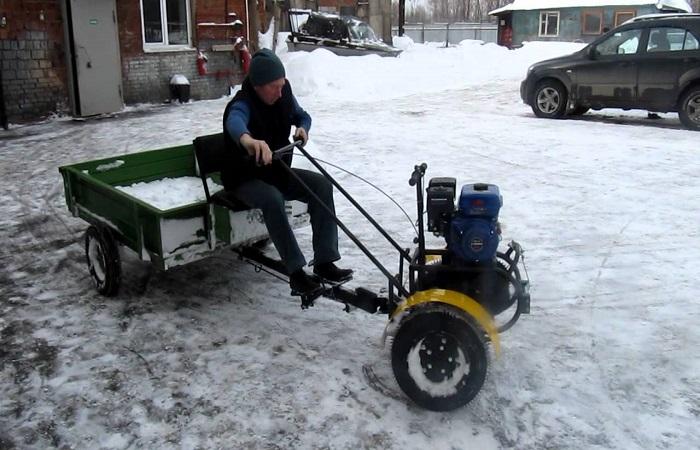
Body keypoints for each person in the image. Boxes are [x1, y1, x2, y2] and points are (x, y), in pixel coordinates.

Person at [222, 49, 353, 295]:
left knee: (322, 185)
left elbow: (302, 115)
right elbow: (235, 123)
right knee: (272, 198)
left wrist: (303, 128)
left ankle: (325, 262)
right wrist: (250, 142)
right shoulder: (242, 103)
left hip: (277, 172)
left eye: (282, 85)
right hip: (245, 179)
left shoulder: (283, 93)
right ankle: (296, 273)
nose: (280, 92)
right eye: (274, 87)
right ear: (259, 86)